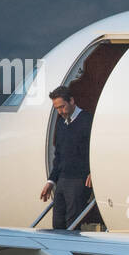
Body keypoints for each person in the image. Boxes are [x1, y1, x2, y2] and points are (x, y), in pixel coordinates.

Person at [39, 86, 93, 230]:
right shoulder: (62, 124)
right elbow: (59, 156)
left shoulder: (88, 121)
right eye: (57, 108)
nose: (60, 112)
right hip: (62, 181)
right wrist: (51, 181)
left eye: (62, 107)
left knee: (72, 224)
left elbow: (95, 149)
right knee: (57, 223)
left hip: (79, 181)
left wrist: (94, 172)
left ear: (72, 101)